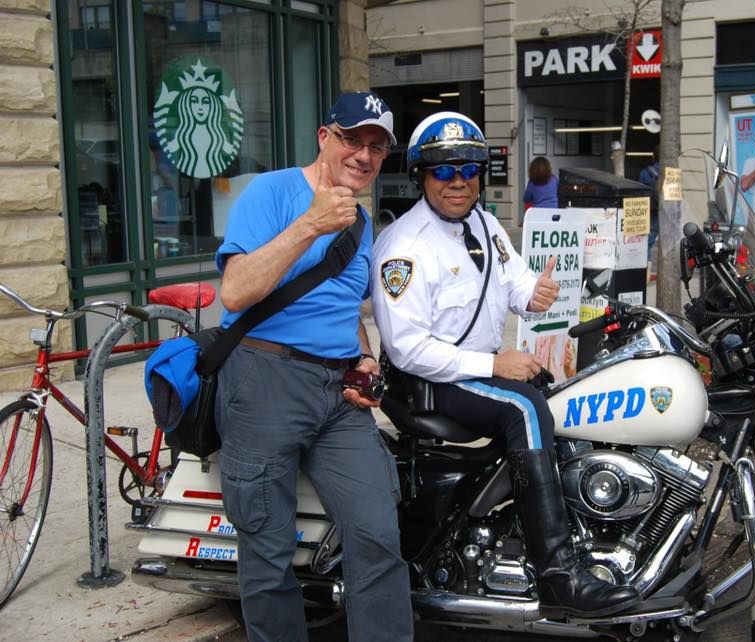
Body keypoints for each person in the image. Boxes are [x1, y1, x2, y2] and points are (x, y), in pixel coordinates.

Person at [371, 111, 639, 619]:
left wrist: (534, 295)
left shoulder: (486, 225)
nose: (458, 182)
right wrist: (494, 364)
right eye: (443, 171)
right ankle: (558, 572)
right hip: (426, 382)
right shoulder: (403, 249)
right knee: (524, 410)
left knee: (564, 395)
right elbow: (407, 349)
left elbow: (513, 282)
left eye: (468, 169)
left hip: (473, 371)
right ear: (421, 177)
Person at [214, 91, 413, 642]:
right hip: (263, 381)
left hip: (338, 394)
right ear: (324, 137)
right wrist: (310, 225)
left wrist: (365, 357)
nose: (363, 155)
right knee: (267, 548)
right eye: (352, 139)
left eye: (377, 147)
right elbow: (235, 292)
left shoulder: (362, 220)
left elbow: (344, 307)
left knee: (376, 533)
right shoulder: (272, 191)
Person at [637, 145, 661, 257]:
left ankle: (646, 270)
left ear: (653, 156)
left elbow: (639, 195)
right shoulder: (672, 172)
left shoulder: (645, 172)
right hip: (668, 213)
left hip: (651, 212)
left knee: (647, 243)